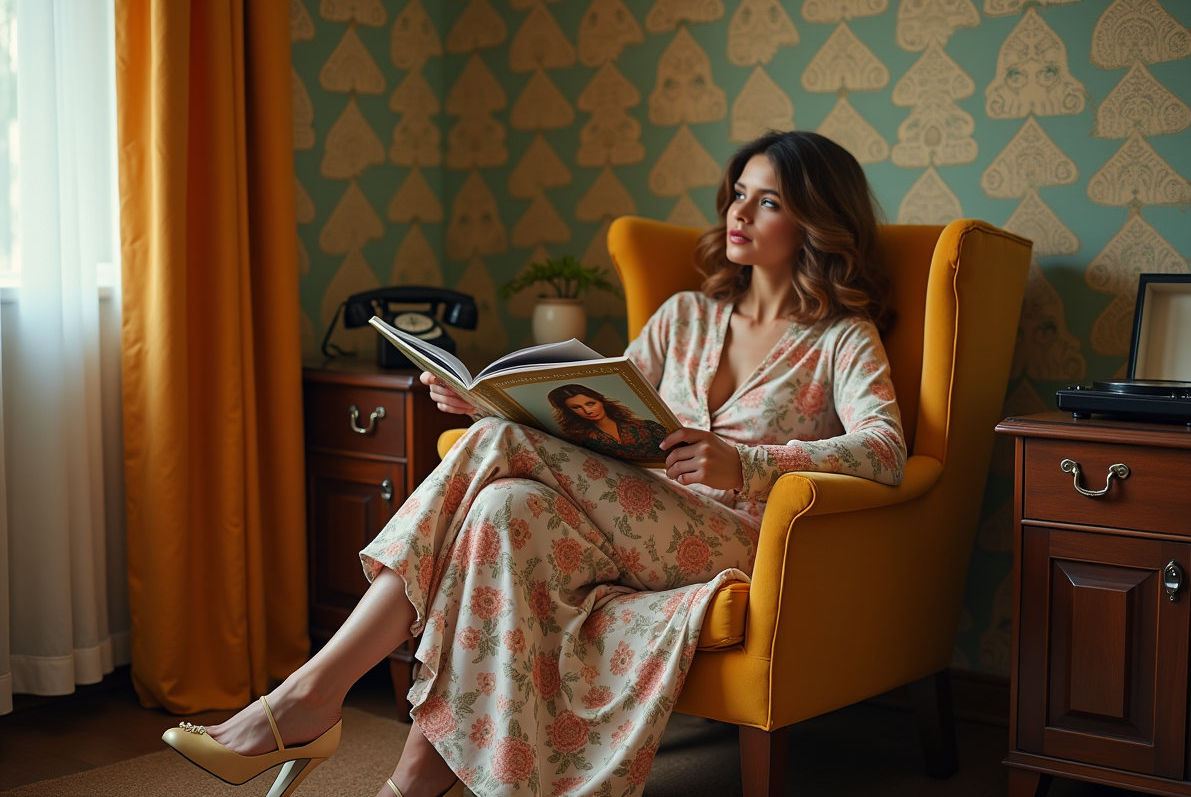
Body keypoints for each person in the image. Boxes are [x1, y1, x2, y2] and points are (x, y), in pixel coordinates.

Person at [162, 130, 907, 797]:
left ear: (814, 220)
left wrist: (745, 462)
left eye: (768, 201)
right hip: (631, 523)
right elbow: (608, 421)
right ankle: (412, 784)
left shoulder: (841, 337)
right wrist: (491, 406)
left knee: (499, 457)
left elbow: (885, 451)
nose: (737, 214)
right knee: (502, 507)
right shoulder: (685, 315)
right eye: (738, 194)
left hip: (737, 545)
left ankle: (311, 693)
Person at [547, 383, 669, 460]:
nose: (587, 411)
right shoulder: (582, 440)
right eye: (576, 407)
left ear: (601, 401)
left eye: (591, 404)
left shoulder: (647, 427)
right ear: (570, 411)